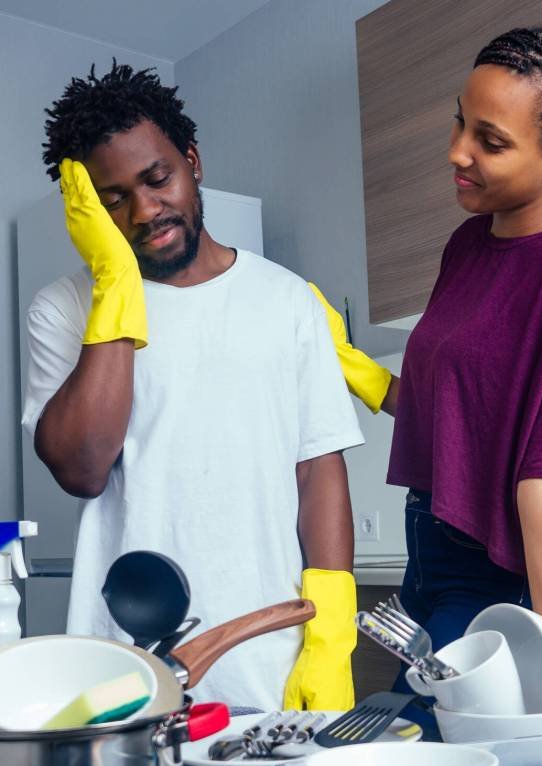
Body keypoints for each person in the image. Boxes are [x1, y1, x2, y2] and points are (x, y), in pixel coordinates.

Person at [313, 9, 542, 720]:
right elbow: (463, 409)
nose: (457, 152)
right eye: (460, 122)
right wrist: (358, 370)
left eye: (490, 141)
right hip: (431, 552)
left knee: (435, 754)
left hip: (505, 571)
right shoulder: (467, 246)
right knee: (403, 745)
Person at [22, 63, 364, 711]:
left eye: (158, 178)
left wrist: (331, 630)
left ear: (193, 161)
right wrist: (116, 285)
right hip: (122, 658)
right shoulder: (64, 309)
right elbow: (82, 467)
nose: (146, 209)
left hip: (269, 648)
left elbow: (318, 468)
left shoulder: (286, 300)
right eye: (114, 197)